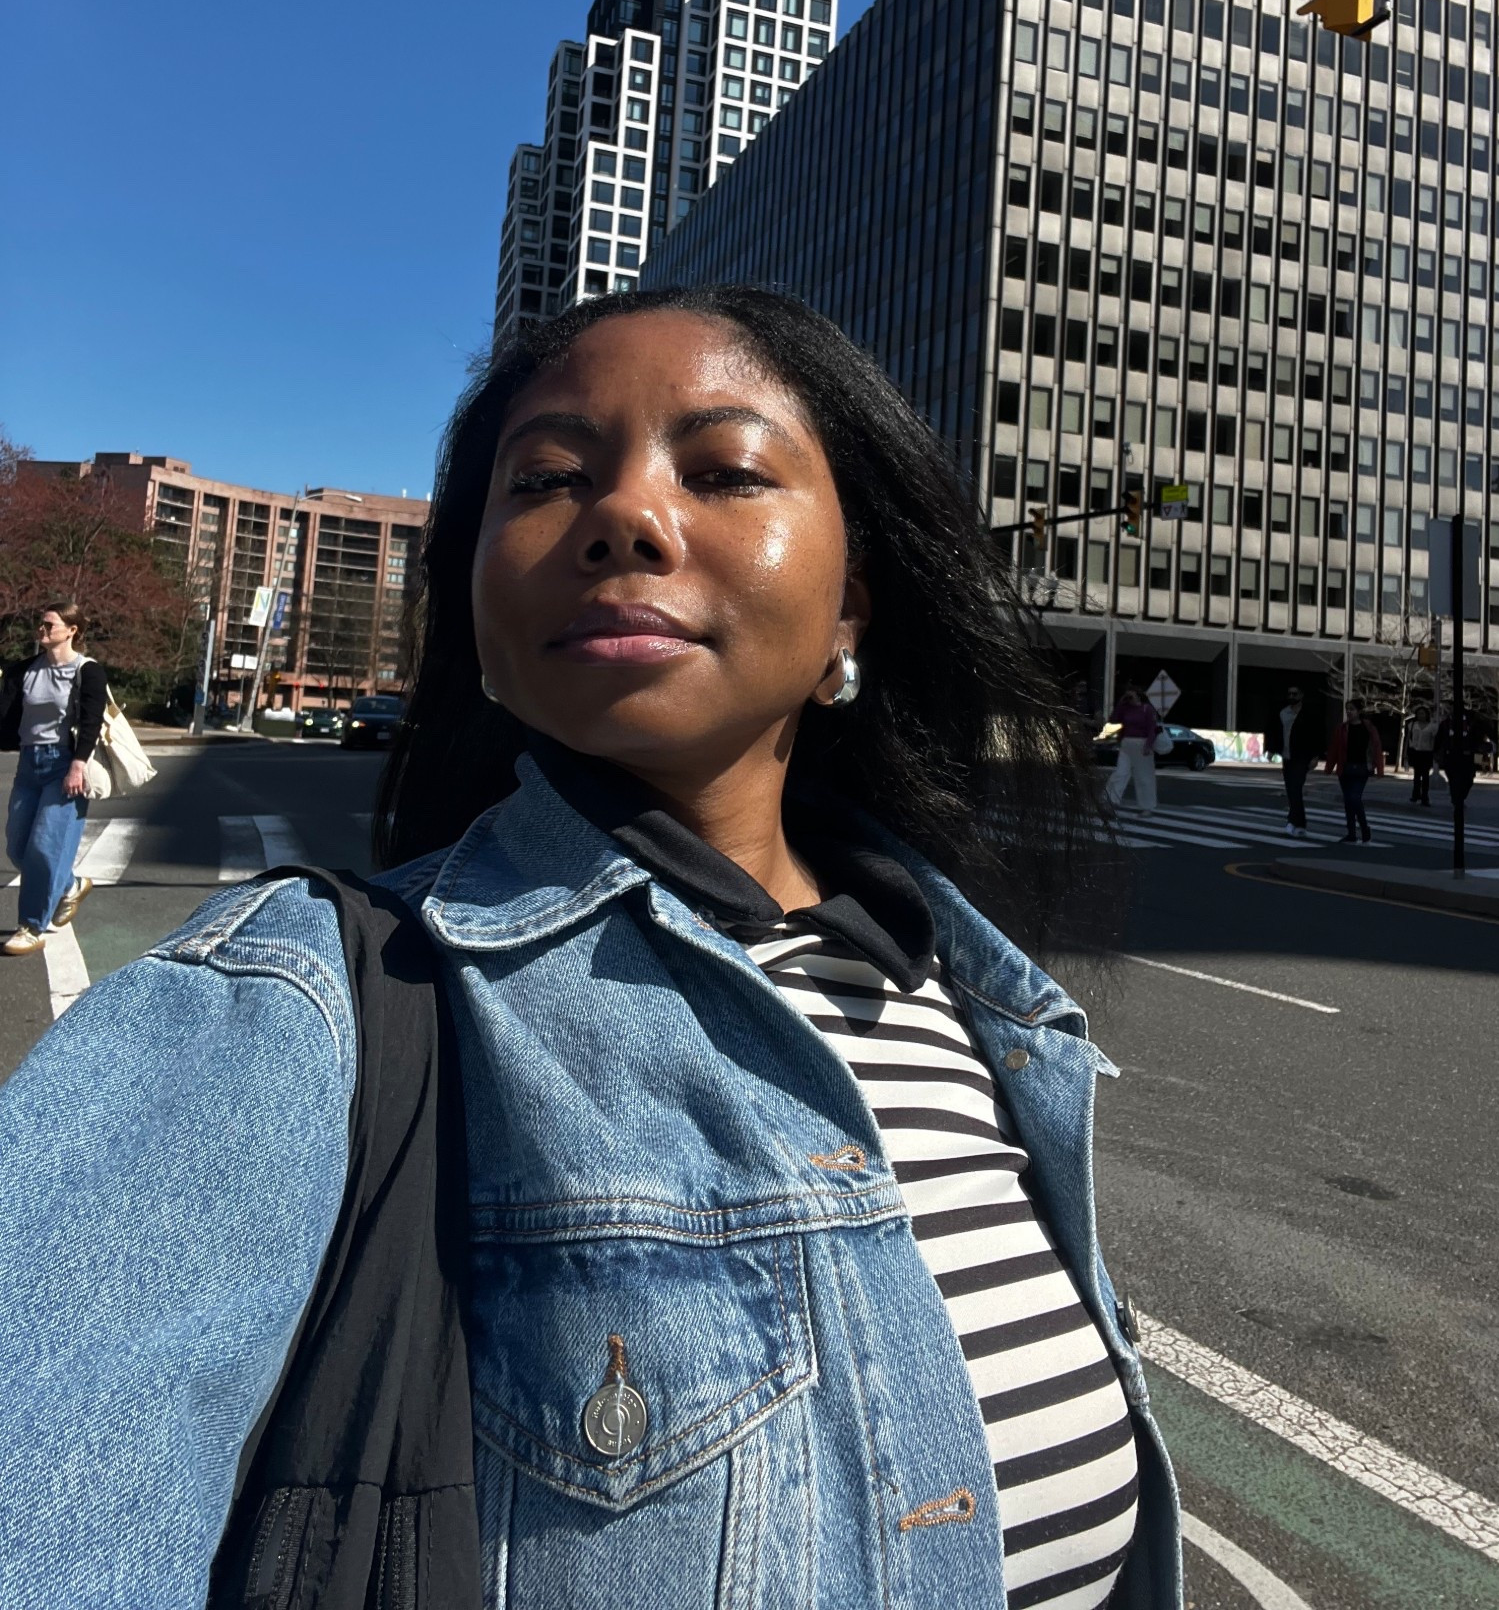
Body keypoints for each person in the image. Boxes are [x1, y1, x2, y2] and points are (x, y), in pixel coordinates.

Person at [0, 288, 1181, 1610]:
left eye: (726, 471)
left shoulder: (970, 1006)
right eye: (550, 479)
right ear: (483, 603)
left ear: (852, 601)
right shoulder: (291, 1007)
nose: (627, 517)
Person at [0, 603, 107, 957]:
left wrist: (79, 763)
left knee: (46, 848)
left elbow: (91, 721)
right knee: (17, 847)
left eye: (50, 624)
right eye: (41, 624)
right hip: (30, 764)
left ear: (72, 629)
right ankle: (70, 884)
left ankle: (31, 926)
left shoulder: (86, 671)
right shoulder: (25, 671)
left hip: (65, 764)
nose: (42, 630)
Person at [1264, 683, 1326, 835]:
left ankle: (1292, 821)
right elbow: (1274, 731)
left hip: (1302, 756)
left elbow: (1317, 736)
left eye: (1294, 694)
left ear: (1301, 695)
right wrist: (1271, 749)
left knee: (1295, 788)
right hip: (1287, 756)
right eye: (1289, 694)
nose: (1291, 696)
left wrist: (1316, 756)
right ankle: (1300, 823)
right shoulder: (1283, 713)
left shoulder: (1310, 714)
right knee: (1291, 790)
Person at [1324, 699, 1385, 843]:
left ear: (1359, 711)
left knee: (1354, 798)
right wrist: (1329, 767)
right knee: (1348, 801)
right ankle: (1351, 832)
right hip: (1345, 768)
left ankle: (1364, 827)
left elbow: (1376, 747)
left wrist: (1379, 769)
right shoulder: (1342, 728)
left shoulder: (1368, 727)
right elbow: (1334, 748)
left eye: (1351, 709)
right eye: (1347, 709)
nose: (1349, 712)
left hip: (1362, 768)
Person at [1105, 684, 1160, 810]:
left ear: (1137, 695)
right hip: (1127, 743)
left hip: (1142, 743)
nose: (1129, 699)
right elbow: (1113, 720)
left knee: (1144, 777)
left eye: (1131, 696)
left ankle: (1147, 805)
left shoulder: (1147, 709)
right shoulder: (1125, 708)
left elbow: (1152, 729)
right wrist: (1120, 703)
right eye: (1127, 696)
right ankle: (1111, 799)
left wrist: (1148, 745)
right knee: (1121, 772)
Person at [1405, 702, 1438, 805]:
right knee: (1416, 775)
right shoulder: (1412, 725)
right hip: (1415, 752)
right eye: (1419, 713)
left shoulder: (1432, 726)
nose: (1421, 715)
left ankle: (1425, 796)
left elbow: (1435, 739)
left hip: (1426, 752)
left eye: (1423, 713)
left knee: (1425, 776)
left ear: (1426, 714)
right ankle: (1415, 794)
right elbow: (1407, 739)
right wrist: (1406, 752)